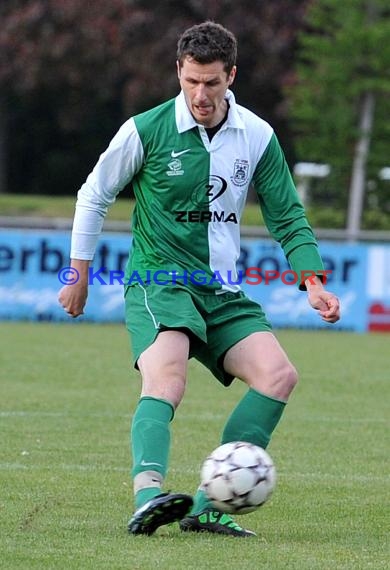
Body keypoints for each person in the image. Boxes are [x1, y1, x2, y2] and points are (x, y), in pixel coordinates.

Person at [58, 21, 340, 537]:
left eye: (212, 83)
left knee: (279, 377)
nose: (200, 95)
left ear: (231, 75)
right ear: (179, 72)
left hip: (224, 289)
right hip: (158, 282)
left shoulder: (256, 135)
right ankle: (148, 496)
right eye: (191, 82)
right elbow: (93, 194)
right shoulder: (145, 129)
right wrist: (77, 271)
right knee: (168, 378)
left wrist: (313, 281)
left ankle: (210, 506)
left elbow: (286, 215)